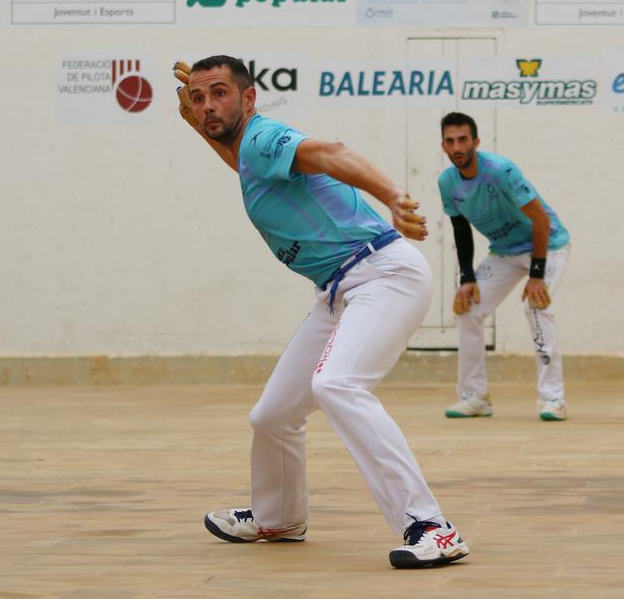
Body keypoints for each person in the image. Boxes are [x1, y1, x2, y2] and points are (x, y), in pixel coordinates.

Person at [174, 55, 469, 569]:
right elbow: (240, 161)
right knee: (273, 417)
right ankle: (278, 516)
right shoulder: (250, 153)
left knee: (337, 385)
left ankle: (431, 526)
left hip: (382, 273)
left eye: (219, 93)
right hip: (339, 289)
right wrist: (198, 128)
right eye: (198, 99)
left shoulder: (265, 137)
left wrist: (393, 196)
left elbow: (332, 153)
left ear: (249, 98)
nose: (206, 106)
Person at [438, 112, 572, 421]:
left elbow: (541, 219)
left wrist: (537, 275)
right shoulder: (447, 181)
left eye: (463, 140)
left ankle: (553, 400)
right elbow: (460, 230)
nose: (457, 147)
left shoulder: (501, 170)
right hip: (504, 252)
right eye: (450, 141)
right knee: (468, 308)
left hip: (548, 246)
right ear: (443, 145)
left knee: (537, 307)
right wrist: (467, 277)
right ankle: (475, 397)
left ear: (476, 142)